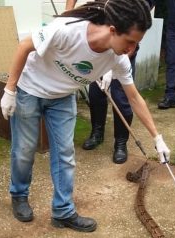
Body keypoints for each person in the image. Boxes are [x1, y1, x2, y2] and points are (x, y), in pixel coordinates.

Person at [0, 0, 170, 232]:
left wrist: (156, 137)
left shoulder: (118, 59)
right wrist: (10, 90)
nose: (131, 50)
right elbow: (24, 46)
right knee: (24, 150)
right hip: (31, 89)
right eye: (129, 42)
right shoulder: (68, 29)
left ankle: (63, 211)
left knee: (65, 154)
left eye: (136, 44)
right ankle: (19, 194)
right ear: (112, 30)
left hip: (62, 97)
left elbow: (134, 97)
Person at [66, 0, 156, 164]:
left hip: (122, 45)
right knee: (96, 92)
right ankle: (97, 132)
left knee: (122, 97)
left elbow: (130, 42)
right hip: (101, 44)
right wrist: (68, 14)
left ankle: (121, 142)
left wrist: (111, 66)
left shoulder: (135, 13)